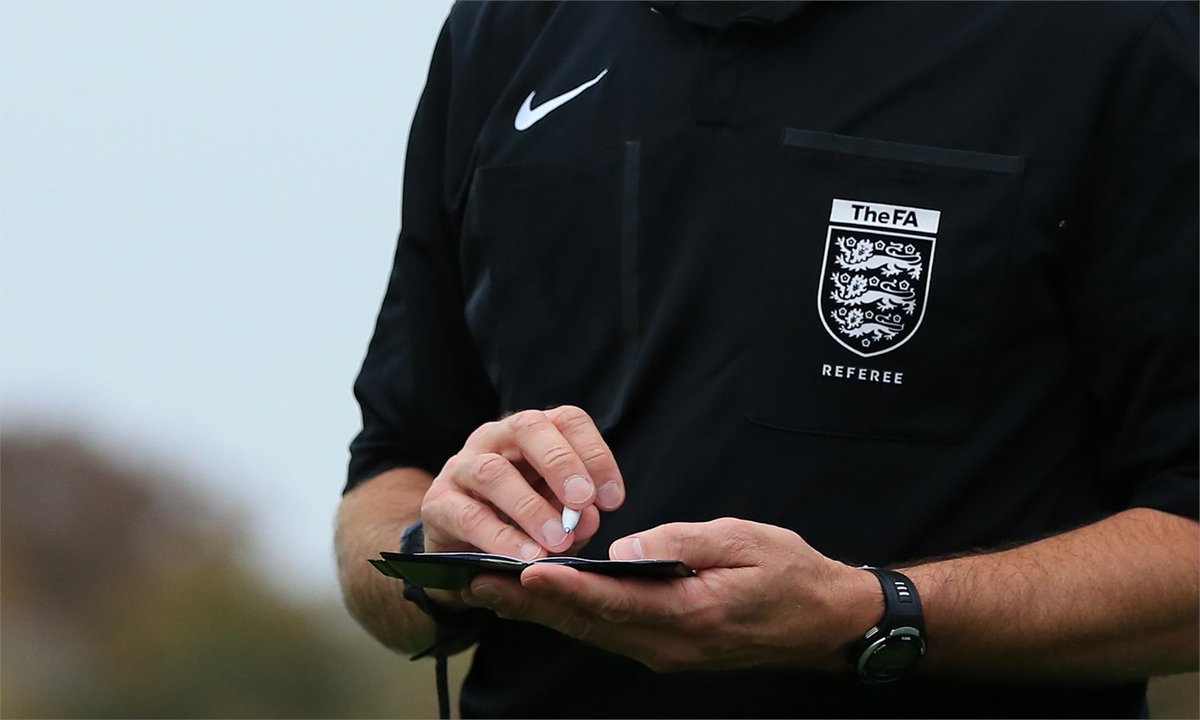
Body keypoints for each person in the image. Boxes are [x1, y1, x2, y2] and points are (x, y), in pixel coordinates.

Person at [335, 2, 1199, 717]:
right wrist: (440, 551)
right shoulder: (508, 28)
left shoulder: (1119, 35)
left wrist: (868, 613)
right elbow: (387, 481)